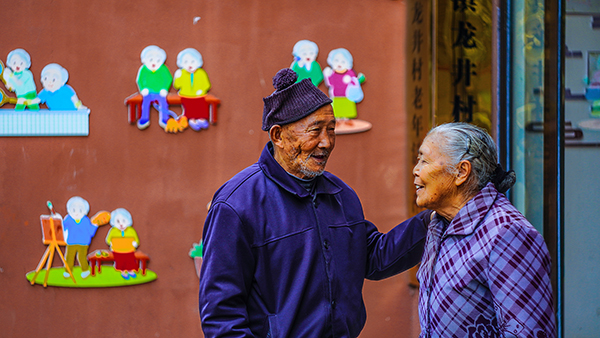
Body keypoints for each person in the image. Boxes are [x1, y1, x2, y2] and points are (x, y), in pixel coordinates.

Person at [198, 68, 430, 337]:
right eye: (315, 131)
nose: (327, 142)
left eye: (331, 130)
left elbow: (373, 258)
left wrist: (435, 218)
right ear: (278, 136)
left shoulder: (340, 195)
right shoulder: (237, 204)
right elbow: (221, 316)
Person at [413, 122, 556, 337]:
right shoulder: (440, 224)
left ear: (461, 172)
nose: (416, 170)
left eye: (424, 160)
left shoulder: (507, 233)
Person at [62, 196, 98, 279]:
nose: (76, 213)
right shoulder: (68, 219)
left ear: (85, 211)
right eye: (74, 210)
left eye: (80, 210)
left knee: (81, 257)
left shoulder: (86, 220)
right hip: (71, 242)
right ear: (69, 210)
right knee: (69, 256)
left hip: (83, 242)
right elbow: (62, 228)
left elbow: (91, 232)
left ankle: (85, 270)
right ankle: (68, 271)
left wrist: (95, 226)